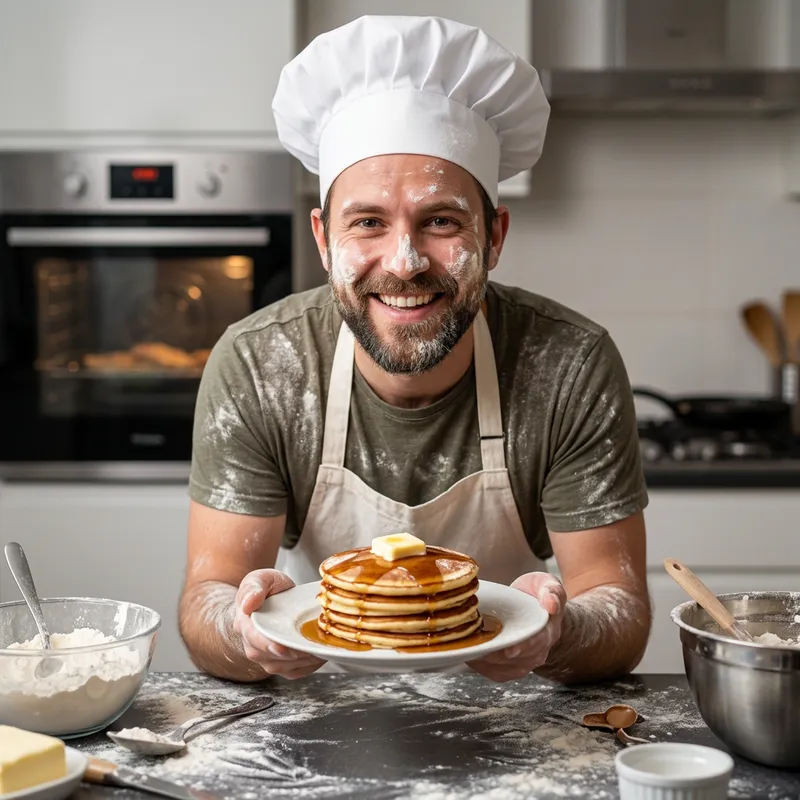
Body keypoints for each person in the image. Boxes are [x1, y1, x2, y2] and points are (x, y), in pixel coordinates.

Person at [179, 15, 651, 684]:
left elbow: (618, 608)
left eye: (440, 221)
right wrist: (245, 628)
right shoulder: (260, 365)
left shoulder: (569, 365)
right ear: (323, 239)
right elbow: (209, 600)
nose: (404, 262)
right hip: (320, 706)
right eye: (368, 222)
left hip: (510, 712)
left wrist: (558, 630)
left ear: (494, 237)